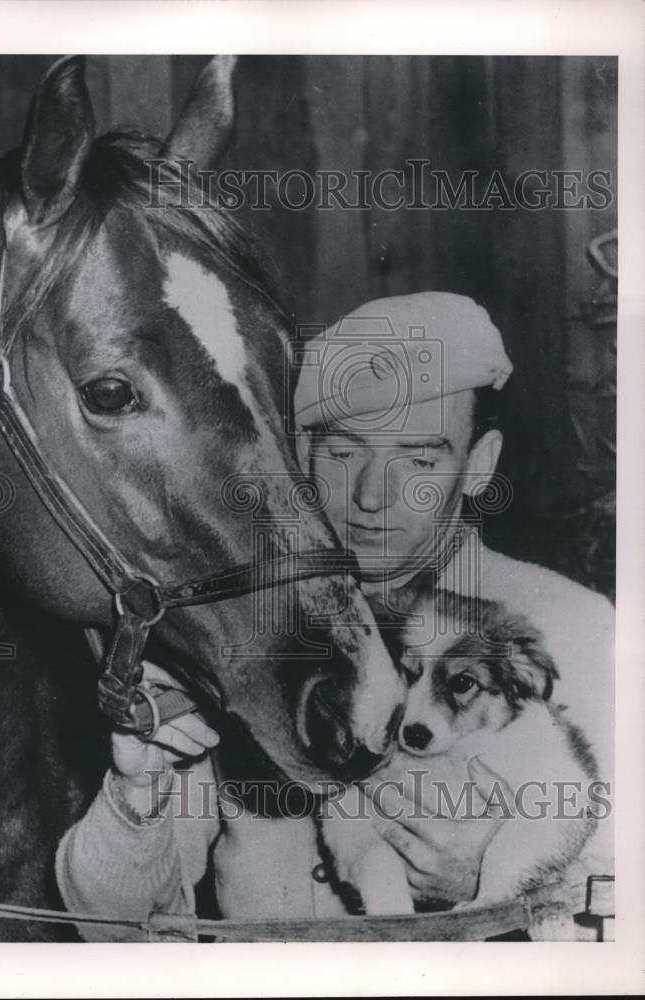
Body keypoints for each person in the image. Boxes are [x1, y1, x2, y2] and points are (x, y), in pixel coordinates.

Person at [56, 292, 614, 939]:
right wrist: (137, 791)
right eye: (344, 454)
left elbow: (623, 918)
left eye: (419, 459)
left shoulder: (576, 630)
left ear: (479, 465)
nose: (372, 496)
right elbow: (111, 926)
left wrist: (499, 882)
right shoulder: (234, 625)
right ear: (299, 456)